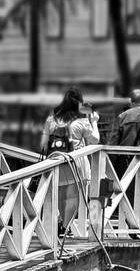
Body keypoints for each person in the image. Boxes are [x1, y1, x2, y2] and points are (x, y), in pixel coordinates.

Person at [40, 86, 99, 228]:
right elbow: (95, 140)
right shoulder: (81, 122)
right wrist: (94, 121)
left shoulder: (51, 120)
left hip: (57, 160)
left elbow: (43, 145)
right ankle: (66, 227)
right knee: (73, 196)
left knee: (60, 194)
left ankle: (61, 223)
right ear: (79, 103)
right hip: (76, 160)